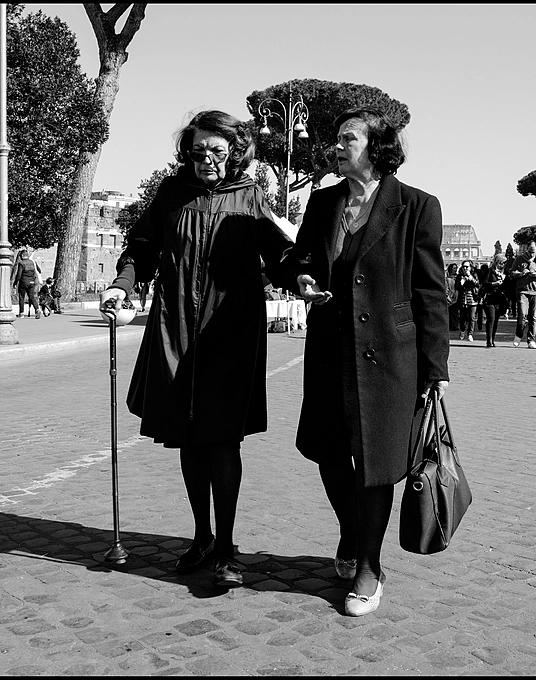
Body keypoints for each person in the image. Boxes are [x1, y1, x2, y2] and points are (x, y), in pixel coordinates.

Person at [99, 110, 293, 588]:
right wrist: (122, 284)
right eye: (198, 150)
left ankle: (226, 548)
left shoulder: (250, 196)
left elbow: (278, 256)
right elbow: (141, 247)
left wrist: (301, 279)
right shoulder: (171, 193)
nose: (207, 159)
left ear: (234, 153)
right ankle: (201, 535)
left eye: (217, 151)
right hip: (176, 329)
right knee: (188, 436)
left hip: (230, 332)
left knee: (223, 438)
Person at [283, 106, 449, 617]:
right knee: (330, 453)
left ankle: (369, 568)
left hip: (389, 358)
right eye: (336, 138)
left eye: (348, 138)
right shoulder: (323, 201)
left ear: (377, 147)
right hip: (330, 352)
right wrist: (302, 279)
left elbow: (430, 291)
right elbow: (300, 259)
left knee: (376, 465)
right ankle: (352, 532)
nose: (337, 146)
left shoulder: (417, 206)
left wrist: (435, 368)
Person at [510, 241, 536, 349]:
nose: (532, 253)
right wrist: (521, 273)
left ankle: (531, 340)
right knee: (522, 314)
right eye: (530, 251)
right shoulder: (519, 259)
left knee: (534, 317)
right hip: (522, 290)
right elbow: (512, 273)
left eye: (533, 251)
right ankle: (518, 335)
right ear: (527, 249)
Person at [481, 253, 507, 347]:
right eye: (501, 263)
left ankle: (493, 339)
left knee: (496, 320)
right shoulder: (490, 271)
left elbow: (508, 286)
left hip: (499, 299)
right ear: (496, 262)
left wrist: (505, 280)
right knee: (491, 319)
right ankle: (489, 340)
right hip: (489, 298)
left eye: (504, 263)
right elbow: (484, 283)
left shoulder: (505, 273)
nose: (502, 265)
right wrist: (494, 283)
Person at [455, 260, 481, 342]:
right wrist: (461, 282)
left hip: (472, 299)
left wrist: (470, 277)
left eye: (467, 266)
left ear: (470, 267)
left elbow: (478, 284)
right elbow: (457, 286)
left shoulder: (474, 274)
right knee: (462, 318)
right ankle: (462, 330)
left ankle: (470, 334)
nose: (465, 268)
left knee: (471, 318)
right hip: (463, 299)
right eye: (464, 266)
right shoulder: (459, 276)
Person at [12, 249, 41, 319]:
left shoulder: (21, 263)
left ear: (22, 256)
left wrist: (15, 283)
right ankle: (37, 309)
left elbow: (19, 275)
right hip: (32, 282)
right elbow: (36, 271)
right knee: (32, 297)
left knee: (21, 297)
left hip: (23, 282)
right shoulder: (32, 262)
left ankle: (21, 313)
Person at [445, 263, 459, 332]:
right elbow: (446, 287)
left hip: (456, 295)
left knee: (454, 312)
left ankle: (454, 325)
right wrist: (447, 295)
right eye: (454, 268)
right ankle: (449, 325)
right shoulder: (447, 278)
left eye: (456, 268)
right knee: (449, 312)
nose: (455, 270)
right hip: (449, 295)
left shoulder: (458, 277)